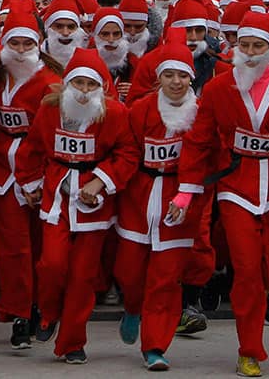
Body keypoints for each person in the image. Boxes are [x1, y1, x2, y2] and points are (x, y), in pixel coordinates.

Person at [173, 12, 269, 378]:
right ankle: (249, 348)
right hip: (238, 185)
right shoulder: (218, 88)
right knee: (246, 270)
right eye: (243, 45)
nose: (249, 52)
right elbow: (199, 142)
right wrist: (187, 190)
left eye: (257, 46)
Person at [15, 48, 138, 364]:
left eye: (90, 85)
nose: (83, 92)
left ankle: (72, 342)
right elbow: (31, 149)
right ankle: (49, 312)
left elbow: (127, 155)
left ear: (102, 88)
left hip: (93, 205)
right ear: (67, 84)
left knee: (83, 276)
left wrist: (100, 181)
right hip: (56, 196)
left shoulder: (115, 115)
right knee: (52, 265)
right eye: (78, 83)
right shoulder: (49, 110)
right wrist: (29, 184)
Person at [115, 40, 203, 370]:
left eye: (183, 76)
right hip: (138, 198)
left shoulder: (200, 113)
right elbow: (125, 150)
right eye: (170, 75)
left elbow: (207, 157)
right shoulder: (139, 110)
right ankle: (132, 308)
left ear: (191, 79)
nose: (176, 82)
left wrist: (188, 196)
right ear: (159, 78)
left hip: (178, 202)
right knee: (129, 271)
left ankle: (155, 346)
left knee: (164, 280)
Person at [0, 9, 62, 349]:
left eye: (25, 43)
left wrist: (39, 177)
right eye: (13, 42)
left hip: (39, 170)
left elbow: (54, 135)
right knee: (12, 246)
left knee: (43, 249)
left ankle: (45, 306)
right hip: (1, 169)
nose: (19, 49)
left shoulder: (49, 82)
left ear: (38, 45)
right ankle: (19, 312)